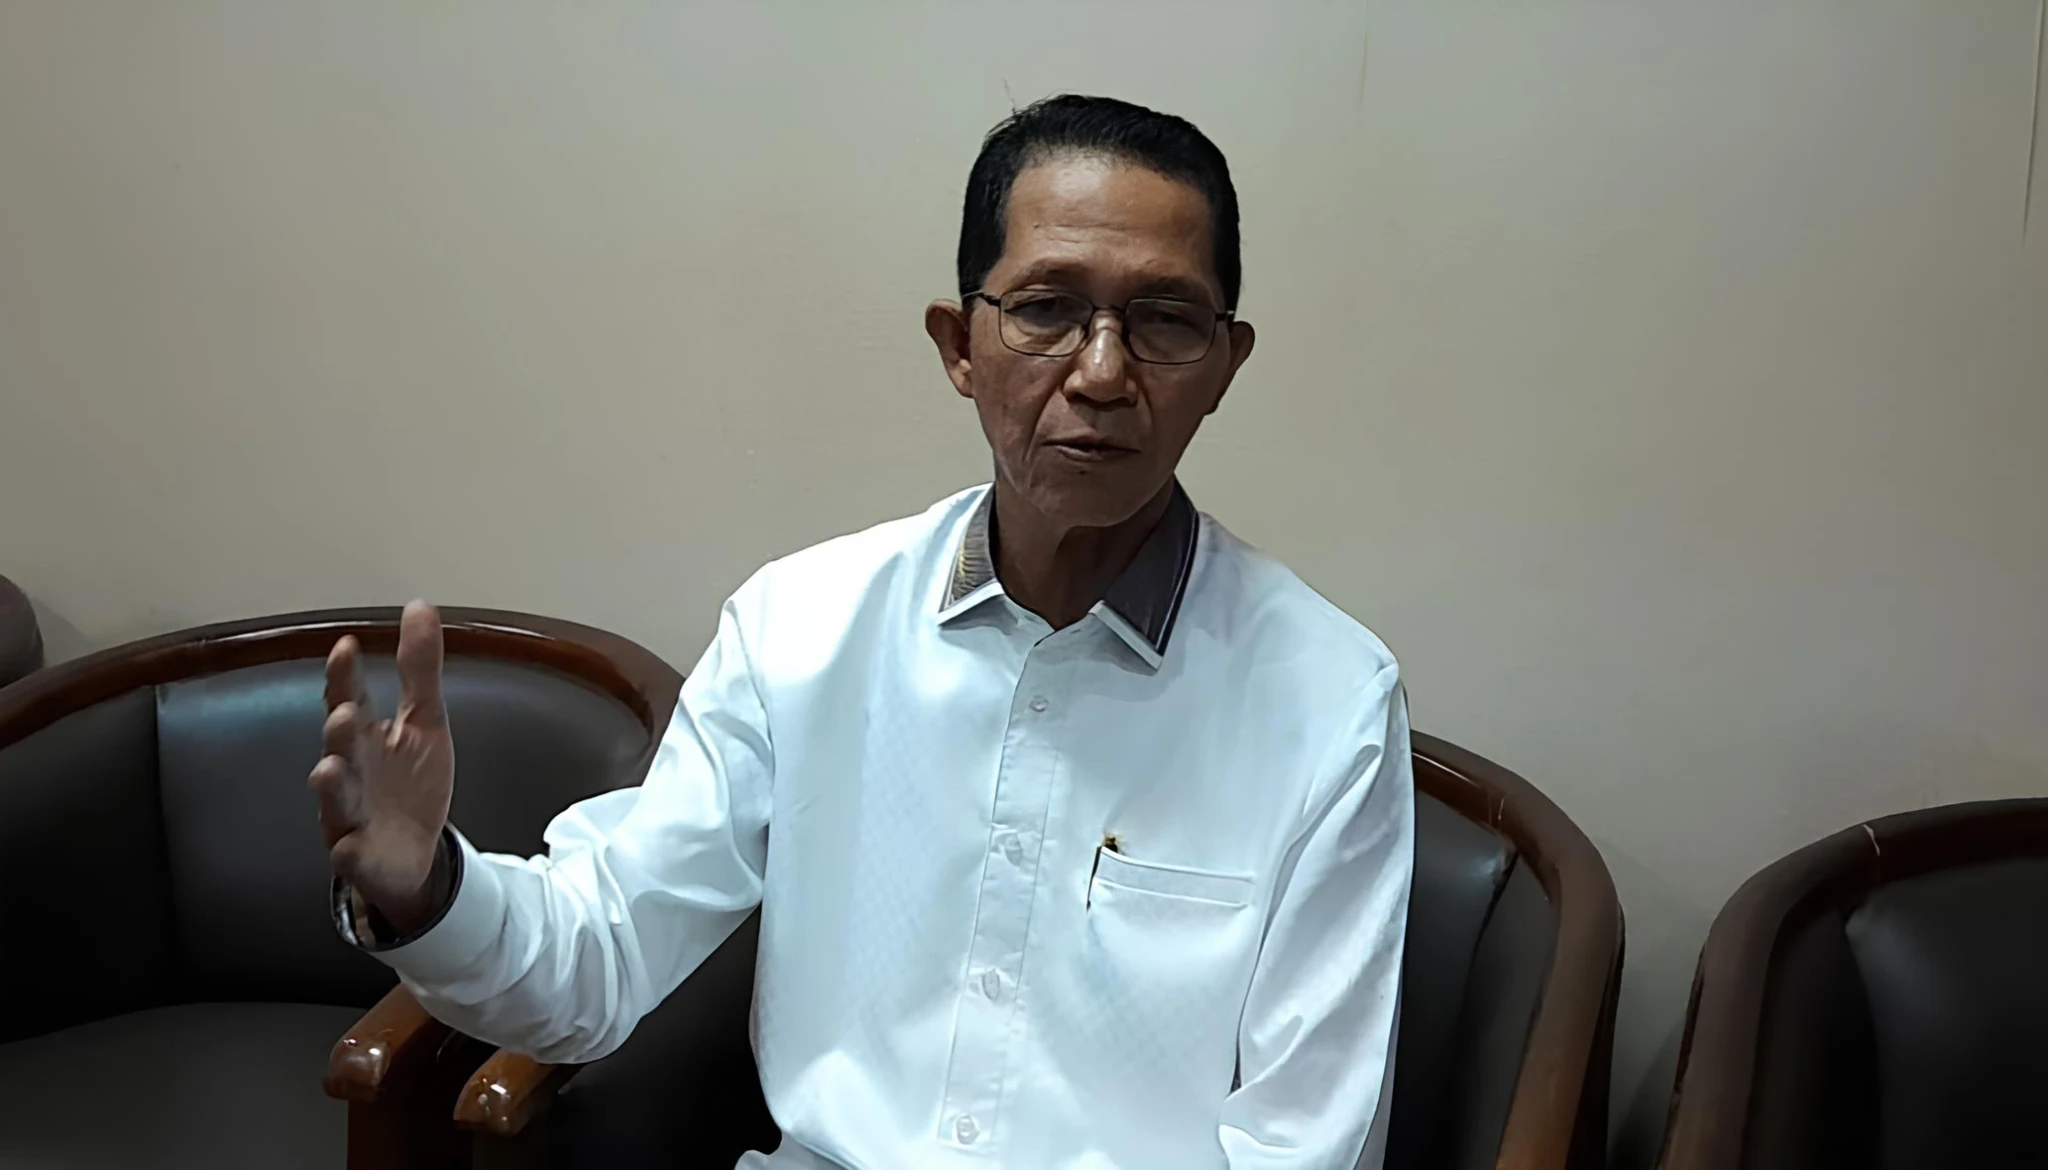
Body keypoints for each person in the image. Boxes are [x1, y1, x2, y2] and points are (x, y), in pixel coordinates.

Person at [311, 94, 1413, 1170]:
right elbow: (593, 964)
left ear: (1223, 366)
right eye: (1047, 309)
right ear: (959, 346)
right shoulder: (802, 628)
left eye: (1165, 320)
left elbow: (1304, 1143)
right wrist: (425, 888)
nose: (1101, 372)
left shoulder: (1328, 702)